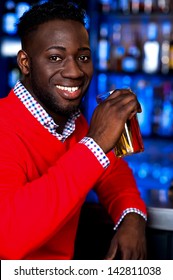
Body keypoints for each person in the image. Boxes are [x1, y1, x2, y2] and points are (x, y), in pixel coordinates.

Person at [0, 1, 147, 260]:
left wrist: (132, 217)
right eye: (56, 57)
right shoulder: (4, 124)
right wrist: (96, 143)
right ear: (25, 63)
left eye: (83, 57)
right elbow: (8, 238)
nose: (75, 71)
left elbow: (113, 174)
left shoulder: (74, 123)